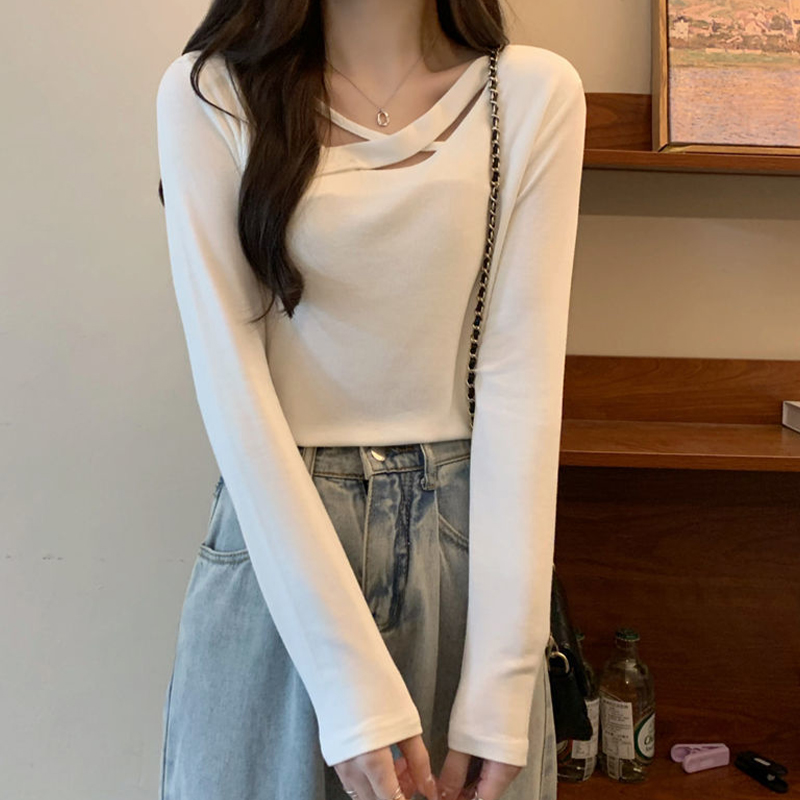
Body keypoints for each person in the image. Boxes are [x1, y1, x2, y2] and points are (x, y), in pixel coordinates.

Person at [154, 1, 586, 799]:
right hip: (280, 545)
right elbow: (231, 389)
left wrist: (502, 684)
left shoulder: (531, 93)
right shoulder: (210, 93)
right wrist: (347, 684)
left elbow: (521, 384)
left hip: (466, 550)